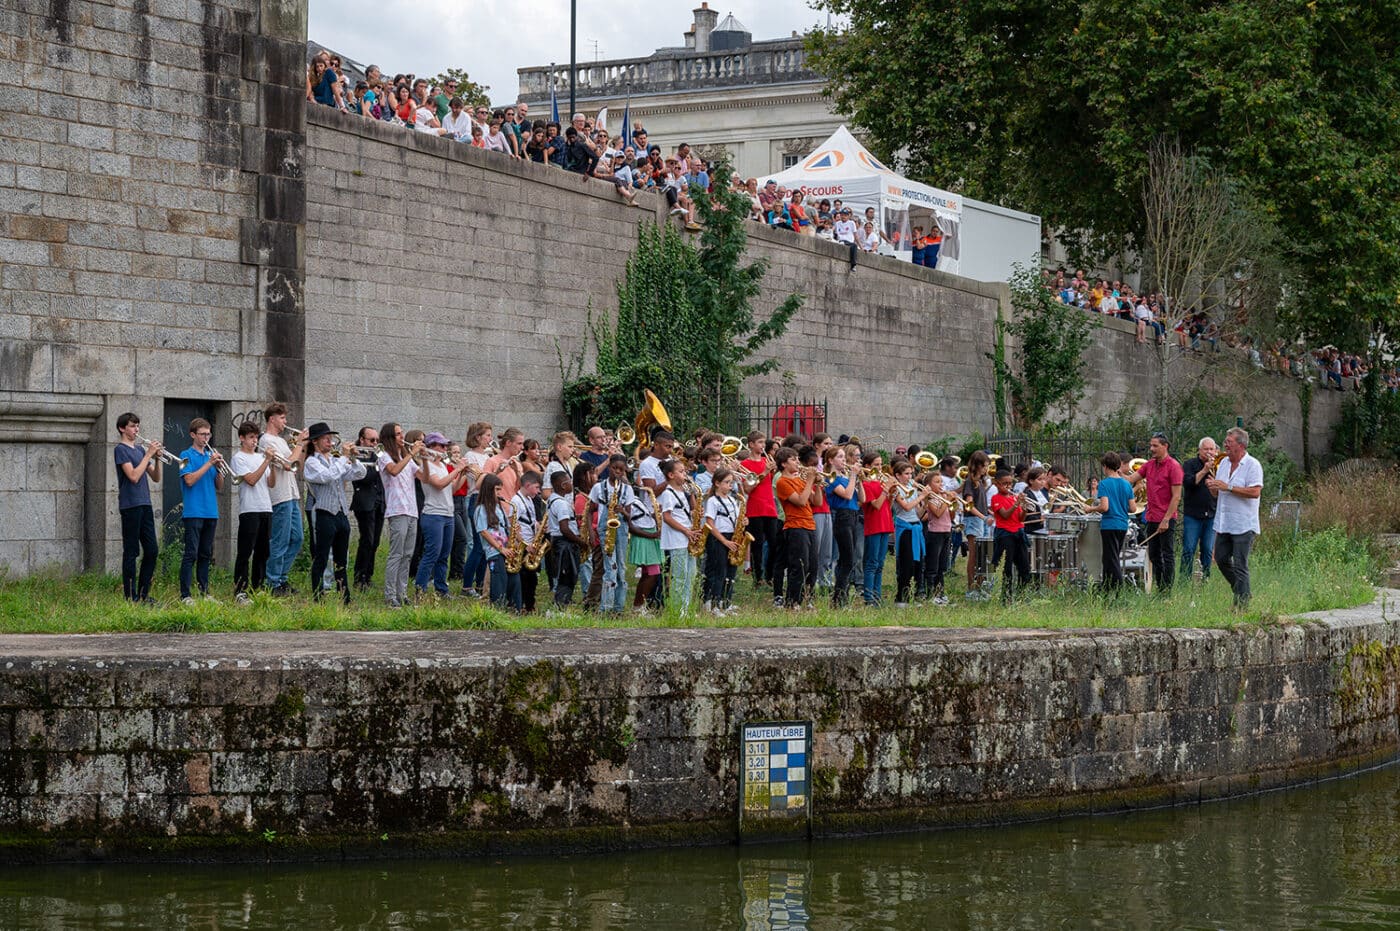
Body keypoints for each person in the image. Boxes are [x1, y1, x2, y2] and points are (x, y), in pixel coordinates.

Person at [301, 423, 366, 604]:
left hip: (341, 514)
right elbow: (327, 476)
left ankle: (344, 597)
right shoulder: (311, 462)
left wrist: (352, 459)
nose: (330, 441)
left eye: (330, 437)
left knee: (341, 559)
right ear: (315, 442)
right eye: (325, 438)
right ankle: (318, 596)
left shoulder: (336, 459)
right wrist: (344, 458)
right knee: (321, 557)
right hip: (324, 512)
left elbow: (360, 473)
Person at [1207, 427, 1264, 608]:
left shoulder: (1252, 465)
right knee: (1221, 560)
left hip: (1243, 524)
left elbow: (1255, 492)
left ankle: (1242, 605)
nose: (1225, 444)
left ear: (1240, 445)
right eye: (1225, 441)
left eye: (1229, 442)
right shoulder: (1223, 463)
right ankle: (1241, 590)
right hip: (1224, 522)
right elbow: (1219, 493)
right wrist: (1214, 488)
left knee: (1240, 564)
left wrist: (1228, 487)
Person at [413, 432, 471, 599]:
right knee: (432, 553)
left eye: (446, 446)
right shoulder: (426, 465)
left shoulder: (443, 465)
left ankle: (441, 589)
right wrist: (458, 469)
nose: (445, 449)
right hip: (433, 514)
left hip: (447, 514)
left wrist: (463, 473)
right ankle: (420, 589)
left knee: (444, 555)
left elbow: (451, 489)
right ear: (431, 447)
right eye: (442, 446)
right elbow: (438, 484)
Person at [113, 412, 161, 603]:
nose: (136, 430)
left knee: (152, 550)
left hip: (145, 503)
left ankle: (143, 594)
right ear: (122, 428)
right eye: (132, 426)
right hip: (130, 505)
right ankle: (130, 596)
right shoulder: (120, 450)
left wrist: (157, 458)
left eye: (137, 426)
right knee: (131, 551)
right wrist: (148, 454)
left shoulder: (141, 451)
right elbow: (133, 476)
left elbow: (156, 477)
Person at [259, 403, 306, 597]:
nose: (285, 422)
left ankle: (281, 578)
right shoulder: (266, 440)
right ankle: (272, 582)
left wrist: (302, 448)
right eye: (282, 418)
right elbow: (287, 465)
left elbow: (297, 466)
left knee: (297, 538)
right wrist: (300, 444)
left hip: (292, 494)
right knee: (280, 540)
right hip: (279, 496)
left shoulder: (282, 441)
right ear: (272, 419)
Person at [1130, 432, 1183, 592]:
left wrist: (1166, 520)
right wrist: (1115, 474)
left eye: (1155, 446)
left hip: (1166, 517)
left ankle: (1166, 590)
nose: (1151, 449)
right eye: (1151, 445)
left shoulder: (1174, 466)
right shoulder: (1150, 465)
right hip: (1151, 516)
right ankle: (1160, 587)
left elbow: (1176, 497)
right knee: (1153, 555)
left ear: (1165, 446)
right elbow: (1131, 479)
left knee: (1167, 554)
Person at [178, 418, 223, 604]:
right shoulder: (185, 456)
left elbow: (219, 486)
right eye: (203, 434)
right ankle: (185, 595)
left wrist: (219, 469)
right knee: (191, 554)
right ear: (193, 435)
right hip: (194, 511)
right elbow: (189, 480)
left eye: (208, 434)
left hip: (211, 511)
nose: (206, 438)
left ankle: (204, 592)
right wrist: (210, 464)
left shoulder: (209, 456)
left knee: (206, 554)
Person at [230, 421, 275, 604]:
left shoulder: (260, 457)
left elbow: (271, 483)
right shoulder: (238, 458)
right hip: (249, 509)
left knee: (263, 552)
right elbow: (251, 480)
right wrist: (266, 461)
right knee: (245, 551)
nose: (254, 441)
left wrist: (274, 466)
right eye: (250, 437)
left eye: (256, 437)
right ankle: (240, 590)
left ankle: (258, 587)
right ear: (242, 438)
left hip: (266, 507)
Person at [377, 424, 421, 608]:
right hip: (397, 510)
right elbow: (394, 471)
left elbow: (424, 477)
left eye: (402, 433)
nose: (402, 436)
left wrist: (424, 458)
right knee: (396, 554)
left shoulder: (406, 458)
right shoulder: (383, 456)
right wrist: (411, 454)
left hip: (412, 510)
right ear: (389, 437)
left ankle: (402, 593)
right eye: (398, 434)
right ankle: (390, 595)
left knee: (408, 555)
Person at [586, 454, 636, 614]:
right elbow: (590, 510)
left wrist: (623, 511)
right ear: (609, 468)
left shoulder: (627, 489)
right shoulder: (598, 487)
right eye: (615, 469)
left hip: (620, 530)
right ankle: (605, 608)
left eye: (621, 470)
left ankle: (618, 608)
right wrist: (591, 533)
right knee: (609, 568)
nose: (618, 472)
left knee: (621, 568)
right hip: (604, 529)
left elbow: (630, 516)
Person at [775, 447, 821, 610]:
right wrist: (809, 481)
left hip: (809, 525)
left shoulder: (800, 480)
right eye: (793, 459)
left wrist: (817, 484)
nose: (797, 462)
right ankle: (793, 601)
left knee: (813, 566)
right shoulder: (782, 481)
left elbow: (817, 502)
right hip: (795, 527)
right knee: (799, 565)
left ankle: (807, 599)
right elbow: (801, 501)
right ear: (783, 464)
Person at [659, 459, 700, 615]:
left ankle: (687, 607)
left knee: (691, 574)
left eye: (685, 471)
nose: (685, 474)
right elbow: (667, 517)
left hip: (688, 536)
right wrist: (686, 530)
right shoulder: (668, 493)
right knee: (679, 576)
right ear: (671, 475)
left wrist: (695, 514)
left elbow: (685, 512)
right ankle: (677, 610)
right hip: (677, 539)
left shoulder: (685, 491)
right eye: (681, 472)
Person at [475, 473, 521, 611]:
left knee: (515, 581)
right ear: (488, 490)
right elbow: (483, 531)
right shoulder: (480, 509)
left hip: (507, 549)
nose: (499, 493)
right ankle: (498, 610)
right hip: (495, 551)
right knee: (499, 583)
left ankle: (515, 608)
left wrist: (513, 530)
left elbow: (505, 527)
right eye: (496, 490)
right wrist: (501, 548)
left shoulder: (499, 507)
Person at [739, 432, 779, 590]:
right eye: (759, 442)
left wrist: (772, 471)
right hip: (755, 508)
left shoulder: (766, 460)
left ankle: (770, 575)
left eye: (763, 442)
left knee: (775, 543)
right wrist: (764, 473)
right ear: (751, 444)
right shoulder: (745, 464)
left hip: (770, 507)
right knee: (757, 545)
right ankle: (758, 578)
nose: (763, 446)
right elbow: (748, 488)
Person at [890, 460, 932, 606]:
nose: (909, 476)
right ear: (898, 475)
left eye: (911, 473)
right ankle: (901, 596)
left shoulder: (912, 489)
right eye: (906, 474)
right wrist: (921, 496)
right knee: (906, 563)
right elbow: (906, 507)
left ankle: (915, 594)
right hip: (905, 528)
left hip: (916, 526)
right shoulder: (896, 489)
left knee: (918, 563)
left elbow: (918, 513)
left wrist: (925, 502)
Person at [1092, 452, 1135, 591]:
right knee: (1110, 557)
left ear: (1105, 466)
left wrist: (1089, 509)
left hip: (1109, 524)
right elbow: (1133, 508)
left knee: (1112, 559)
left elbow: (1104, 507)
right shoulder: (1127, 484)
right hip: (1123, 525)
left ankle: (1119, 589)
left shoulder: (1104, 484)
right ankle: (1106, 589)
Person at [350, 425, 384, 591]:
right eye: (372, 440)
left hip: (379, 502)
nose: (375, 443)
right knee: (367, 540)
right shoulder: (358, 456)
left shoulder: (377, 456)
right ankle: (359, 577)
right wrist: (377, 463)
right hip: (364, 502)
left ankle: (368, 576)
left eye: (377, 440)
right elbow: (365, 477)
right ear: (362, 440)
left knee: (375, 541)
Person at [703, 468, 742, 616]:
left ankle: (726, 602)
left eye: (731, 482)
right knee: (719, 571)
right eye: (726, 482)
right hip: (718, 538)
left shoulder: (732, 500)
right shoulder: (712, 501)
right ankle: (714, 603)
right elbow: (710, 524)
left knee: (730, 573)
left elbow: (737, 519)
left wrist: (744, 521)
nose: (730, 486)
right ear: (717, 483)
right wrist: (724, 541)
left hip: (732, 536)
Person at [1180, 437, 1219, 581]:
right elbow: (1189, 483)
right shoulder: (1189, 464)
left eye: (1211, 449)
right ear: (1199, 450)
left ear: (1216, 450)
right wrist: (1205, 470)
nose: (1209, 452)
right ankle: (1185, 580)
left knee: (1208, 550)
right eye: (1206, 449)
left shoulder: (1220, 465)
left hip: (1211, 514)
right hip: (1193, 515)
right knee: (1189, 549)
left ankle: (1204, 580)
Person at [990, 469, 1031, 598]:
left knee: (1024, 567)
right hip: (1005, 535)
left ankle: (1021, 595)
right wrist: (1016, 504)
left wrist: (1024, 508)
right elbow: (1005, 515)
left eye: (1010, 483)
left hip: (1019, 533)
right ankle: (1005, 596)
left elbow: (1020, 518)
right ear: (996, 484)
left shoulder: (1014, 497)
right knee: (1006, 568)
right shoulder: (995, 498)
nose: (1008, 486)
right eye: (1005, 483)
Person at [860, 452, 893, 606]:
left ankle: (877, 596)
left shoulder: (880, 484)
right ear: (867, 466)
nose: (880, 468)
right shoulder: (866, 484)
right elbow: (876, 505)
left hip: (885, 525)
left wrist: (891, 494)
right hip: (873, 526)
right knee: (872, 563)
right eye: (876, 465)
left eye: (880, 464)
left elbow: (887, 506)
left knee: (880, 564)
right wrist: (886, 489)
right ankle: (868, 598)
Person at [510, 471, 545, 612]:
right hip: (523, 545)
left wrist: (539, 526)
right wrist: (524, 543)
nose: (538, 491)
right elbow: (512, 525)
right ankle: (524, 605)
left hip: (531, 542)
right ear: (527, 485)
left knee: (532, 578)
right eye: (536, 487)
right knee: (525, 578)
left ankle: (530, 604)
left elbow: (529, 521)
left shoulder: (529, 499)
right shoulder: (516, 501)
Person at [547, 470, 582, 608]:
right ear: (563, 485)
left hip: (559, 541)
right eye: (569, 482)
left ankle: (563, 603)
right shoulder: (561, 503)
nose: (572, 485)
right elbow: (565, 528)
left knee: (566, 574)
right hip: (565, 543)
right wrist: (581, 542)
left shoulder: (553, 499)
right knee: (567, 575)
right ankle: (561, 605)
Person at [628, 484, 663, 612]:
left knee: (647, 573)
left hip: (650, 536)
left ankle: (638, 606)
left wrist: (655, 514)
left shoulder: (636, 500)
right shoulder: (627, 503)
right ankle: (638, 606)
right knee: (652, 573)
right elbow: (631, 527)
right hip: (645, 537)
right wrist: (651, 535)